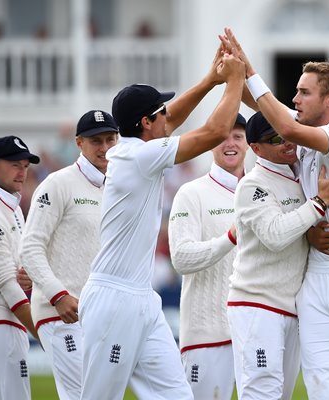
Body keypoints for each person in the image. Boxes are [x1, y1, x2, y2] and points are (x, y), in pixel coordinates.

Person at [221, 28, 329, 400]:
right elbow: (264, 112)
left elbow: (282, 125)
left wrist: (248, 70)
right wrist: (238, 70)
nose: (294, 97)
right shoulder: (301, 140)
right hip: (314, 277)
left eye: (303, 92)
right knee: (321, 386)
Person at [77, 46, 245, 400]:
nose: (167, 116)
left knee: (178, 396)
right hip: (113, 298)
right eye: (159, 114)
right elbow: (215, 132)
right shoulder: (139, 155)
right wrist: (235, 80)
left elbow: (173, 118)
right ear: (145, 123)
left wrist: (211, 81)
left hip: (141, 298)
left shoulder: (140, 147)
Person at [228, 111, 329, 399]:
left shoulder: (298, 170)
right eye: (275, 138)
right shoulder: (252, 185)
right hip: (257, 303)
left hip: (291, 306)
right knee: (262, 391)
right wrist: (321, 202)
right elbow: (275, 235)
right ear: (256, 148)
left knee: (282, 393)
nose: (287, 141)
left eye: (289, 132)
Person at [20, 110, 118, 400]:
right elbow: (30, 246)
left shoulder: (114, 187)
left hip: (98, 312)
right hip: (60, 312)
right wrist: (57, 295)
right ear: (79, 143)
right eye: (95, 141)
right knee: (82, 395)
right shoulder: (57, 183)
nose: (103, 148)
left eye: (110, 140)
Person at [167, 113, 248, 399]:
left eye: (238, 136)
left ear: (249, 143)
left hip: (255, 329)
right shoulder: (192, 193)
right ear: (211, 142)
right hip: (207, 333)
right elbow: (181, 257)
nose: (231, 143)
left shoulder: (263, 191)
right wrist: (229, 238)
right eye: (223, 136)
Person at [0, 135, 41, 400]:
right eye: (14, 165)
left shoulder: (12, 206)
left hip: (7, 322)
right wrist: (42, 333)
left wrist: (27, 276)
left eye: (25, 165)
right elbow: (5, 282)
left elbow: (17, 272)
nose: (22, 172)